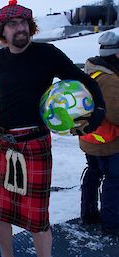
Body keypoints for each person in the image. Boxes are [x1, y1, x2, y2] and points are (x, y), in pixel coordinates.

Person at [0, 1, 106, 257]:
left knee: (37, 217)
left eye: (24, 23)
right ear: (1, 32)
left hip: (34, 142)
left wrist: (98, 113)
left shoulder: (48, 54)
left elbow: (83, 80)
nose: (20, 28)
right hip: (2, 141)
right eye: (13, 24)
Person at [79, 31, 119, 235]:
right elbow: (115, 114)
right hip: (108, 141)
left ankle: (89, 213)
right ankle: (112, 224)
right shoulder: (109, 79)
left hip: (89, 137)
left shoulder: (91, 72)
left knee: (93, 174)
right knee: (114, 179)